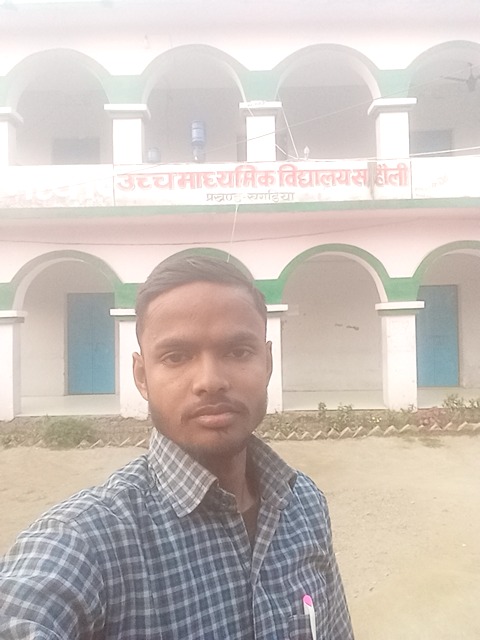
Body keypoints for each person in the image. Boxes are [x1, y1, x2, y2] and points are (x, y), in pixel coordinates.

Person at [0, 255, 354, 640]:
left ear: (267, 363)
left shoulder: (304, 505)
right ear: (142, 376)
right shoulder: (86, 541)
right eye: (176, 357)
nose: (210, 381)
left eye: (238, 351)